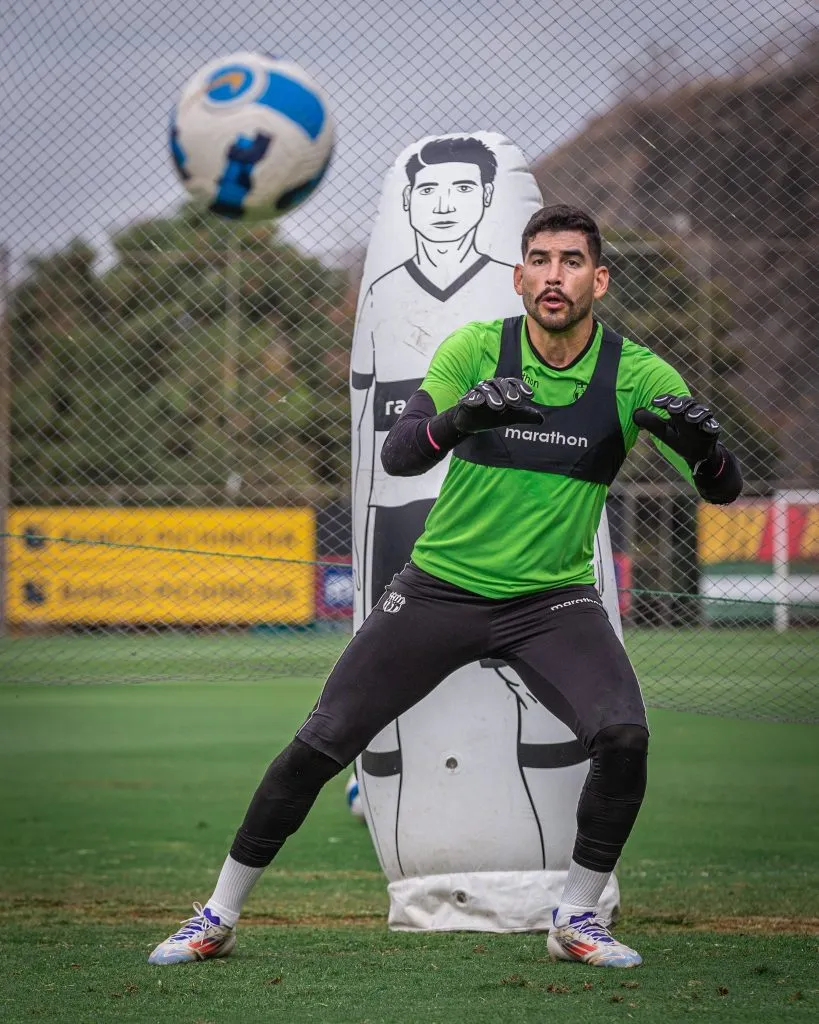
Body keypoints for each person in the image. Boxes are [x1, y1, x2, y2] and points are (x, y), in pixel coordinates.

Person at [148, 204, 742, 969]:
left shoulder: (637, 373)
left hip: (551, 603)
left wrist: (705, 452)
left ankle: (575, 919)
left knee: (623, 735)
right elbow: (399, 456)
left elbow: (721, 490)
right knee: (321, 741)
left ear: (598, 279)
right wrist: (461, 416)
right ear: (518, 276)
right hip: (440, 589)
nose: (552, 275)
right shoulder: (473, 347)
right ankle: (216, 916)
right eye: (538, 260)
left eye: (569, 262)